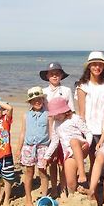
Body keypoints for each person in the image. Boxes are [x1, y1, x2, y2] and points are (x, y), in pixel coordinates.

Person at [43, 98, 92, 195]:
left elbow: (88, 132)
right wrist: (46, 156)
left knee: (73, 141)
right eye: (54, 114)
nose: (55, 116)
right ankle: (73, 195)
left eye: (57, 114)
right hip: (69, 154)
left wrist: (88, 144)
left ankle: (82, 173)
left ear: (65, 111)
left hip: (81, 146)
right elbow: (55, 142)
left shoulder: (74, 118)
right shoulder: (55, 124)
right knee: (70, 182)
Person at [75, 51, 104, 172]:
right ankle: (92, 181)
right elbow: (81, 112)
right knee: (92, 157)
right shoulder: (82, 86)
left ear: (103, 67)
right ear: (89, 66)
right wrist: (82, 130)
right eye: (94, 64)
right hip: (90, 128)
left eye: (100, 64)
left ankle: (100, 179)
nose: (97, 67)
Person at [39, 61, 74, 197]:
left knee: (62, 160)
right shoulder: (43, 92)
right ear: (47, 76)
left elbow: (71, 110)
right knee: (52, 161)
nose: (54, 76)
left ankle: (63, 188)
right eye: (52, 74)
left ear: (61, 76)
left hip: (64, 128)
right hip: (49, 128)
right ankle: (54, 188)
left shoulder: (66, 91)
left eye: (57, 74)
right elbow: (40, 111)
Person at [16, 87, 50, 206]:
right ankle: (28, 198)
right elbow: (22, 132)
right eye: (34, 100)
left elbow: (51, 133)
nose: (37, 101)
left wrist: (52, 150)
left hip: (43, 147)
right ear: (30, 102)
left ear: (43, 99)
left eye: (39, 99)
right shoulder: (26, 115)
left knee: (43, 172)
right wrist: (18, 149)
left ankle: (45, 198)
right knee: (29, 172)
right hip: (28, 147)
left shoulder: (48, 115)